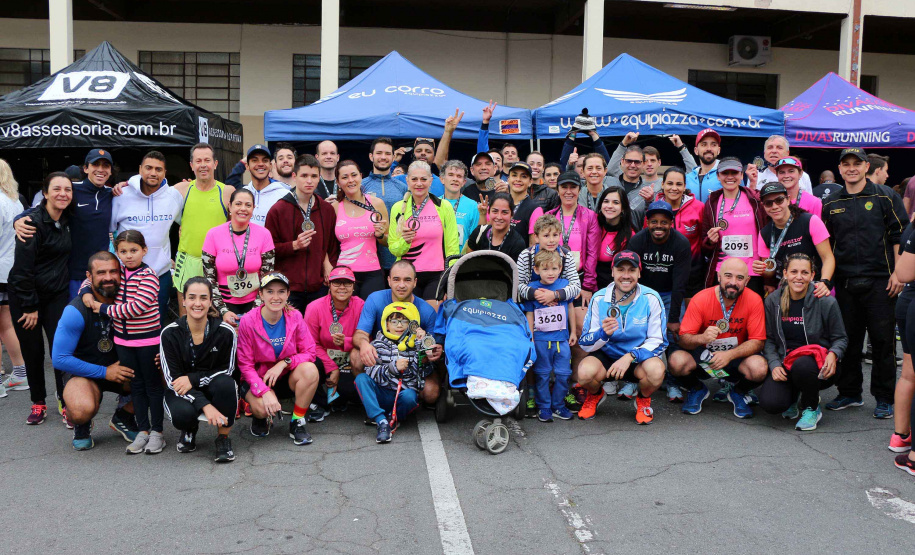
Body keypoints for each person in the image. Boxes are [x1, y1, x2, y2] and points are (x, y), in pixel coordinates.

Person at [822, 147, 908, 417]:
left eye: (856, 164)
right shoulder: (831, 202)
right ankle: (850, 393)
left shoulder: (886, 196)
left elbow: (900, 235)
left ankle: (885, 398)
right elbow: (827, 246)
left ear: (866, 167)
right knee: (847, 340)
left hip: (882, 281)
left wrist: (898, 273)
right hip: (845, 282)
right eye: (846, 164)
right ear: (840, 168)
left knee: (883, 342)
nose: (851, 168)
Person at [81, 232, 164, 454]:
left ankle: (157, 432)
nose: (129, 256)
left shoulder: (149, 276)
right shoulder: (119, 272)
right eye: (123, 251)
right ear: (117, 253)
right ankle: (143, 431)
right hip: (124, 343)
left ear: (144, 250)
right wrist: (86, 293)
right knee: (136, 386)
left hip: (147, 341)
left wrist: (102, 308)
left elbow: (135, 308)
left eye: (134, 250)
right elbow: (89, 281)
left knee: (153, 386)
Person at [53, 252, 136, 450]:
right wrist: (104, 372)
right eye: (101, 273)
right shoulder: (75, 310)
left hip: (122, 369)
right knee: (81, 409)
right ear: (89, 277)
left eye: (113, 271)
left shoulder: (132, 300)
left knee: (161, 371)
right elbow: (59, 359)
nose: (108, 277)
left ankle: (124, 416)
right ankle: (81, 424)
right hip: (84, 373)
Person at [9, 172, 73, 425]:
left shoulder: (67, 217)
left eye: (67, 189)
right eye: (56, 189)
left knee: (60, 350)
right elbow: (22, 269)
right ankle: (38, 403)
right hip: (26, 298)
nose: (63, 194)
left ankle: (65, 401)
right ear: (44, 193)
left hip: (56, 295)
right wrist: (30, 306)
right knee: (33, 351)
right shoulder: (31, 223)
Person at [669, 258, 768, 419]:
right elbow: (683, 339)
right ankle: (696, 389)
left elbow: (758, 341)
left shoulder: (754, 300)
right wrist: (702, 338)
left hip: (736, 357)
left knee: (760, 368)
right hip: (704, 356)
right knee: (676, 361)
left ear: (747, 281)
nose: (733, 282)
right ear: (719, 276)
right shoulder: (701, 298)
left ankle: (738, 392)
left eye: (740, 278)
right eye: (728, 276)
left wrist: (729, 355)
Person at [759, 254, 848, 431]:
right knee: (772, 404)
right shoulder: (773, 300)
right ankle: (794, 396)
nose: (799, 277)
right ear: (785, 273)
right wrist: (774, 364)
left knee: (802, 365)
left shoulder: (825, 300)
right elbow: (768, 339)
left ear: (812, 275)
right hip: (785, 362)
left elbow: (840, 338)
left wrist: (834, 354)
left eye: (804, 272)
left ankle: (811, 407)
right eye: (794, 272)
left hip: (818, 364)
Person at [576, 251, 667, 424]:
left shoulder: (651, 298)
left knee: (656, 371)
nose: (626, 275)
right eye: (620, 270)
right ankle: (595, 394)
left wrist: (631, 356)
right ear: (612, 272)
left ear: (639, 273)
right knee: (584, 373)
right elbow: (585, 343)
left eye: (631, 270)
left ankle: (643, 399)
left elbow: (659, 341)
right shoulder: (599, 298)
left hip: (638, 359)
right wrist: (602, 334)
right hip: (607, 357)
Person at [160, 277, 239, 463]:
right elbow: (173, 380)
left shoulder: (225, 332)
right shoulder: (169, 333)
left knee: (227, 384)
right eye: (192, 297)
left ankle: (223, 438)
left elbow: (227, 369)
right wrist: (205, 405)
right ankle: (189, 429)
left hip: (212, 385)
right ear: (184, 301)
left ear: (210, 301)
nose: (197, 303)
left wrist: (193, 379)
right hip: (181, 390)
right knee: (182, 415)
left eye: (203, 298)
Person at [237, 273, 321, 444]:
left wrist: (284, 363)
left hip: (284, 375)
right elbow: (245, 365)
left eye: (281, 291)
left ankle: (297, 421)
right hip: (258, 377)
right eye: (270, 291)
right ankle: (260, 417)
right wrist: (264, 391)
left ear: (288, 294)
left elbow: (310, 352)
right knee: (261, 409)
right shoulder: (247, 321)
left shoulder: (295, 316)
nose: (276, 297)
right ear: (261, 294)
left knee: (310, 370)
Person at [353, 261, 443, 404]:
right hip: (382, 357)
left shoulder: (426, 310)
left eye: (407, 280)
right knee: (356, 356)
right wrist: (364, 344)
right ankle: (372, 397)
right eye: (396, 279)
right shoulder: (375, 299)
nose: (401, 285)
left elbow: (433, 346)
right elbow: (360, 334)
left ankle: (406, 398)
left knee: (431, 394)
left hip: (411, 361)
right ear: (389, 281)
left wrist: (434, 351)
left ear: (415, 282)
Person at [111, 151, 183, 321]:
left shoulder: (174, 197)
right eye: (148, 168)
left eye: (158, 169)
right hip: (127, 274)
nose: (153, 173)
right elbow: (109, 230)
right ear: (140, 169)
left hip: (160, 274)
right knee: (126, 320)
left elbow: (186, 224)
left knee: (157, 322)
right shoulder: (121, 196)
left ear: (164, 173)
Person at [265, 154, 339, 312]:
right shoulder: (278, 210)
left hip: (319, 287)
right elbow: (268, 251)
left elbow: (333, 246)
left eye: (314, 176)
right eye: (304, 176)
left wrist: (329, 268)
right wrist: (293, 245)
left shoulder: (327, 210)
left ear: (319, 178)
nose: (309, 181)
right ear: (294, 176)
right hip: (288, 288)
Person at [356, 302, 433, 443]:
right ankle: (381, 420)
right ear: (386, 324)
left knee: (410, 396)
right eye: (394, 321)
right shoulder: (377, 344)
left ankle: (393, 418)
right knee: (361, 379)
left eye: (404, 321)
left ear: (412, 325)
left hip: (402, 395)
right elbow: (371, 371)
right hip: (382, 392)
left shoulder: (415, 344)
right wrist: (393, 368)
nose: (399, 325)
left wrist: (421, 344)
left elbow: (422, 373)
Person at [173, 143, 234, 315]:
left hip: (217, 263)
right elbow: (153, 193)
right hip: (188, 261)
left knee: (217, 316)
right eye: (198, 161)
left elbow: (237, 227)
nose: (203, 165)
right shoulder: (182, 189)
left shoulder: (227, 192)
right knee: (186, 318)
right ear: (191, 165)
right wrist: (126, 184)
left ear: (215, 164)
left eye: (207, 160)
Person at [202, 188, 276, 325]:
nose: (243, 209)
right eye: (238, 204)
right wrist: (223, 311)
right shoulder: (213, 234)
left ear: (253, 208)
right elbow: (209, 278)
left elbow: (267, 277)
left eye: (248, 205)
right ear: (230, 206)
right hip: (222, 305)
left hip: (256, 305)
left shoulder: (264, 234)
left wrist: (255, 312)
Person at [388, 160, 459, 301]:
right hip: (406, 276)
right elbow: (393, 248)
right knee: (408, 314)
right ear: (407, 181)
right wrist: (405, 241)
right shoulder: (398, 208)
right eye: (414, 179)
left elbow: (452, 246)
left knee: (431, 314)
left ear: (431, 181)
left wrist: (449, 278)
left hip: (436, 274)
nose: (419, 183)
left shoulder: (444, 206)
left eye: (423, 179)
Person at [522, 249, 577, 422]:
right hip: (541, 340)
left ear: (560, 268)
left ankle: (558, 405)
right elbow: (530, 314)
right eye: (545, 269)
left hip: (562, 339)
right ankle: (544, 406)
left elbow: (570, 308)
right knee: (542, 374)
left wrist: (573, 331)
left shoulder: (564, 286)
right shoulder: (532, 289)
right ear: (536, 270)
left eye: (554, 268)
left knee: (563, 373)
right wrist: (531, 337)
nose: (550, 273)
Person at [699, 157, 768, 295]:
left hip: (751, 271)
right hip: (723, 271)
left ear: (741, 175)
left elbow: (767, 234)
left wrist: (768, 278)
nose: (730, 177)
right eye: (725, 173)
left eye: (734, 173)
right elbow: (704, 244)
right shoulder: (712, 202)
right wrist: (710, 241)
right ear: (718, 176)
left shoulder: (755, 199)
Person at [304, 266, 365, 414]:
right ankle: (319, 404)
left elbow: (367, 339)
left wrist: (347, 342)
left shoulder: (361, 306)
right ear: (329, 285)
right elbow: (310, 344)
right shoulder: (314, 307)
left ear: (353, 286)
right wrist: (332, 367)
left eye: (347, 283)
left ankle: (339, 399)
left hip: (349, 361)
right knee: (306, 364)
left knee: (349, 391)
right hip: (323, 358)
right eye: (337, 282)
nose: (342, 287)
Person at [753, 182, 834, 287]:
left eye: (779, 200)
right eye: (768, 203)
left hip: (814, 286)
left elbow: (828, 258)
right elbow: (770, 272)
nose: (774, 206)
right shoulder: (764, 234)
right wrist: (762, 270)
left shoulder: (810, 221)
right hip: (786, 289)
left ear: (788, 200)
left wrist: (824, 281)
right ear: (763, 206)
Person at [334, 160, 389, 300]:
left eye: (354, 175)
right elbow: (327, 245)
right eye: (345, 177)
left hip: (372, 272)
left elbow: (389, 242)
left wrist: (380, 235)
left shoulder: (377, 203)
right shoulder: (334, 207)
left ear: (361, 176)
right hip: (344, 274)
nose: (350, 180)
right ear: (338, 182)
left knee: (372, 312)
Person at [653, 167, 705, 300]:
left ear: (685, 186)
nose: (674, 188)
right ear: (662, 184)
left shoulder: (698, 207)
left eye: (679, 184)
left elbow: (703, 239)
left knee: (690, 311)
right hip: (663, 272)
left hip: (692, 273)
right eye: (670, 183)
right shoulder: (654, 208)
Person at [362, 137, 409, 273]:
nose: (383, 157)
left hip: (396, 258)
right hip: (368, 259)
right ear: (371, 156)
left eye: (388, 153)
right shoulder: (361, 186)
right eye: (379, 153)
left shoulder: (402, 187)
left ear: (393, 157)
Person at [0, 159, 25, 394]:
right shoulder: (14, 200)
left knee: (5, 324)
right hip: (10, 270)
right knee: (6, 324)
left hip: (2, 268)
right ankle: (20, 373)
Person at [609, 133, 697, 194]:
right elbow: (611, 170)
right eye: (646, 161)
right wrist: (623, 144)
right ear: (642, 163)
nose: (649, 164)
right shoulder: (632, 181)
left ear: (659, 162)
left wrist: (682, 148)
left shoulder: (667, 183)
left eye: (653, 160)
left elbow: (693, 173)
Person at [464, 192, 527, 260]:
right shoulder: (478, 233)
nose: (499, 217)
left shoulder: (517, 243)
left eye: (504, 212)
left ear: (512, 215)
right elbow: (468, 263)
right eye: (495, 211)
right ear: (489, 212)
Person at [594, 186, 635, 290]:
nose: (609, 206)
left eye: (616, 203)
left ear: (623, 208)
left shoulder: (630, 235)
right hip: (590, 285)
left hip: (616, 287)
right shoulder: (593, 224)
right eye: (606, 201)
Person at [242, 144, 292, 227]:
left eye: (265, 160)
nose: (260, 164)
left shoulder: (285, 195)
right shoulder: (242, 193)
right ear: (247, 166)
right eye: (255, 160)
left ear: (270, 166)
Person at [440, 160, 479, 252]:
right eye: (451, 175)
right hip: (437, 258)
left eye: (459, 176)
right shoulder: (434, 203)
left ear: (464, 182)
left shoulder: (473, 206)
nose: (455, 179)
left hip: (461, 258)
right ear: (442, 179)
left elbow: (474, 240)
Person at [503, 162, 542, 243]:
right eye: (514, 175)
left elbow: (533, 245)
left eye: (523, 176)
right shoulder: (499, 203)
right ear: (508, 179)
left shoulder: (535, 209)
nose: (518, 179)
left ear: (530, 182)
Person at [686, 129, 722, 203]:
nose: (709, 148)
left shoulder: (727, 175)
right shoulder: (688, 178)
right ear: (696, 150)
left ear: (718, 150)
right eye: (704, 144)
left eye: (713, 145)